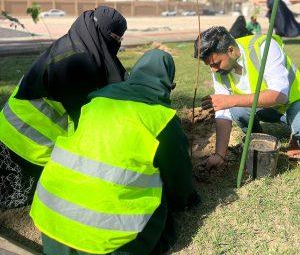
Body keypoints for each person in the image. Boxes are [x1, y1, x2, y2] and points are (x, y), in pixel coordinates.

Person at [30, 49, 200, 255]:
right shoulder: (160, 118)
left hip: (51, 221)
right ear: (167, 84)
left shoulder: (95, 102)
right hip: (105, 240)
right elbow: (177, 173)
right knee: (162, 219)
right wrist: (187, 199)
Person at [0, 6, 127, 209]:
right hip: (25, 146)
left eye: (120, 39)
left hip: (9, 132)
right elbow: (87, 124)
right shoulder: (77, 64)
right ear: (99, 32)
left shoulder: (74, 45)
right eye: (113, 37)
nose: (117, 43)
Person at [194, 26, 300, 168]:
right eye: (210, 66)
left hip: (293, 103)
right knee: (237, 110)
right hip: (266, 108)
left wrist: (231, 100)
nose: (213, 70)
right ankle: (257, 139)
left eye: (216, 64)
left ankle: (296, 136)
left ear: (231, 50)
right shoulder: (219, 70)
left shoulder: (264, 47)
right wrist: (220, 154)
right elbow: (223, 113)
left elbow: (279, 95)